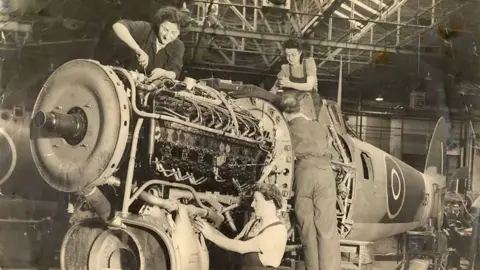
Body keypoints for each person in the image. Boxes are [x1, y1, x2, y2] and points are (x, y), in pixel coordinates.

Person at [280, 96, 340, 270]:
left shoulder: (287, 128)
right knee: (326, 227)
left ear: (285, 114)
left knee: (307, 228)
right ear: (299, 109)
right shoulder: (318, 125)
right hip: (325, 174)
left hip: (304, 174)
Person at [194, 182, 288, 270]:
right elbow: (231, 244)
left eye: (256, 200)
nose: (252, 204)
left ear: (270, 202)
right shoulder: (253, 224)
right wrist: (206, 227)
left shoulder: (277, 230)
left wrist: (210, 235)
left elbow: (242, 247)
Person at [94, 6, 189, 80]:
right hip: (121, 78)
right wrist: (138, 50)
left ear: (180, 33)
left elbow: (175, 72)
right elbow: (118, 26)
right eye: (165, 29)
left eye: (174, 33)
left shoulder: (178, 46)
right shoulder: (146, 28)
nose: (167, 36)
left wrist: (164, 73)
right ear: (159, 24)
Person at [270, 38, 321, 120]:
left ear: (300, 53)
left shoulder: (309, 63)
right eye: (287, 55)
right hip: (293, 103)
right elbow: (275, 87)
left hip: (310, 103)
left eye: (293, 55)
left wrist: (289, 84)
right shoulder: (285, 68)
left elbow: (309, 86)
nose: (290, 58)